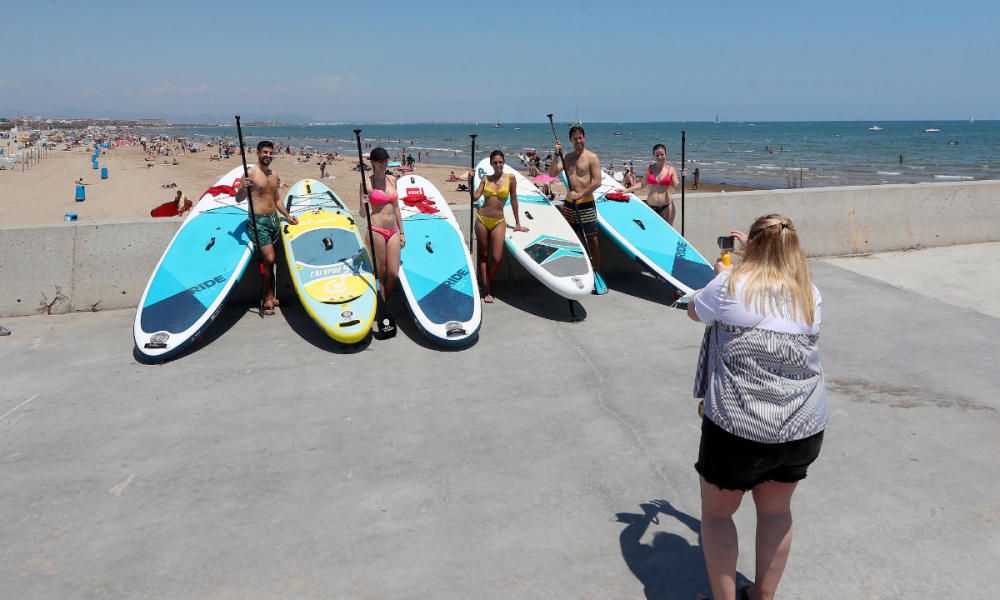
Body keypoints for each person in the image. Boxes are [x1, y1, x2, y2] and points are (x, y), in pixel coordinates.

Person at [686, 214, 827, 600]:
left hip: (739, 428)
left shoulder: (731, 283)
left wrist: (723, 273)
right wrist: (754, 258)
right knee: (776, 512)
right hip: (802, 427)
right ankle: (763, 596)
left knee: (717, 515)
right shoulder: (809, 293)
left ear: (752, 246)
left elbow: (694, 311)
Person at [236, 140, 298, 315]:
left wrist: (287, 216)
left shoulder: (274, 174)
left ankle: (272, 295)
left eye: (271, 153)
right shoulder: (250, 174)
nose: (268, 156)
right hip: (258, 222)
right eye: (265, 152)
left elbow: (276, 198)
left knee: (273, 261)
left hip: (274, 220)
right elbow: (238, 199)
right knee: (269, 259)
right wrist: (243, 188)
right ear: (257, 153)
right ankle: (267, 299)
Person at [471, 150, 528, 303]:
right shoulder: (485, 179)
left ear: (504, 162)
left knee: (496, 258)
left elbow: (514, 200)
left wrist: (517, 223)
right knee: (483, 256)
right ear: (491, 164)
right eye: (495, 162)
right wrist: (471, 181)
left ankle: (489, 283)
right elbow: (475, 197)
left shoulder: (511, 178)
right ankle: (487, 289)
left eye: (500, 162)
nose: (498, 165)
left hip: (498, 221)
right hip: (482, 219)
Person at [549, 125, 602, 273]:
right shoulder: (567, 157)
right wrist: (555, 154)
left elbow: (597, 181)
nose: (578, 141)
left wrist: (581, 194)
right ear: (571, 140)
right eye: (575, 138)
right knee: (570, 239)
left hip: (586, 204)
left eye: (580, 137)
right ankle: (572, 269)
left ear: (584, 137)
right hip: (569, 205)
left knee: (593, 239)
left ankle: (597, 272)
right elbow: (552, 173)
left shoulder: (592, 157)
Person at [359, 147, 405, 302]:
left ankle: (386, 299)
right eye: (380, 161)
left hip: (393, 230)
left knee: (393, 272)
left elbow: (397, 208)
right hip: (376, 230)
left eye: (386, 160)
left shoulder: (392, 180)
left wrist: (402, 232)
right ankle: (384, 305)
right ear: (372, 162)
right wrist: (363, 203)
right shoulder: (366, 183)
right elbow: (362, 213)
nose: (384, 163)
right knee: (381, 271)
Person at [623, 144, 682, 225]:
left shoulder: (671, 170)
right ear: (654, 156)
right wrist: (626, 190)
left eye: (662, 154)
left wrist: (682, 178)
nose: (660, 157)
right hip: (651, 206)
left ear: (666, 154)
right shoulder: (649, 168)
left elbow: (677, 188)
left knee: (665, 233)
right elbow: (642, 184)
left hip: (667, 207)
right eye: (657, 155)